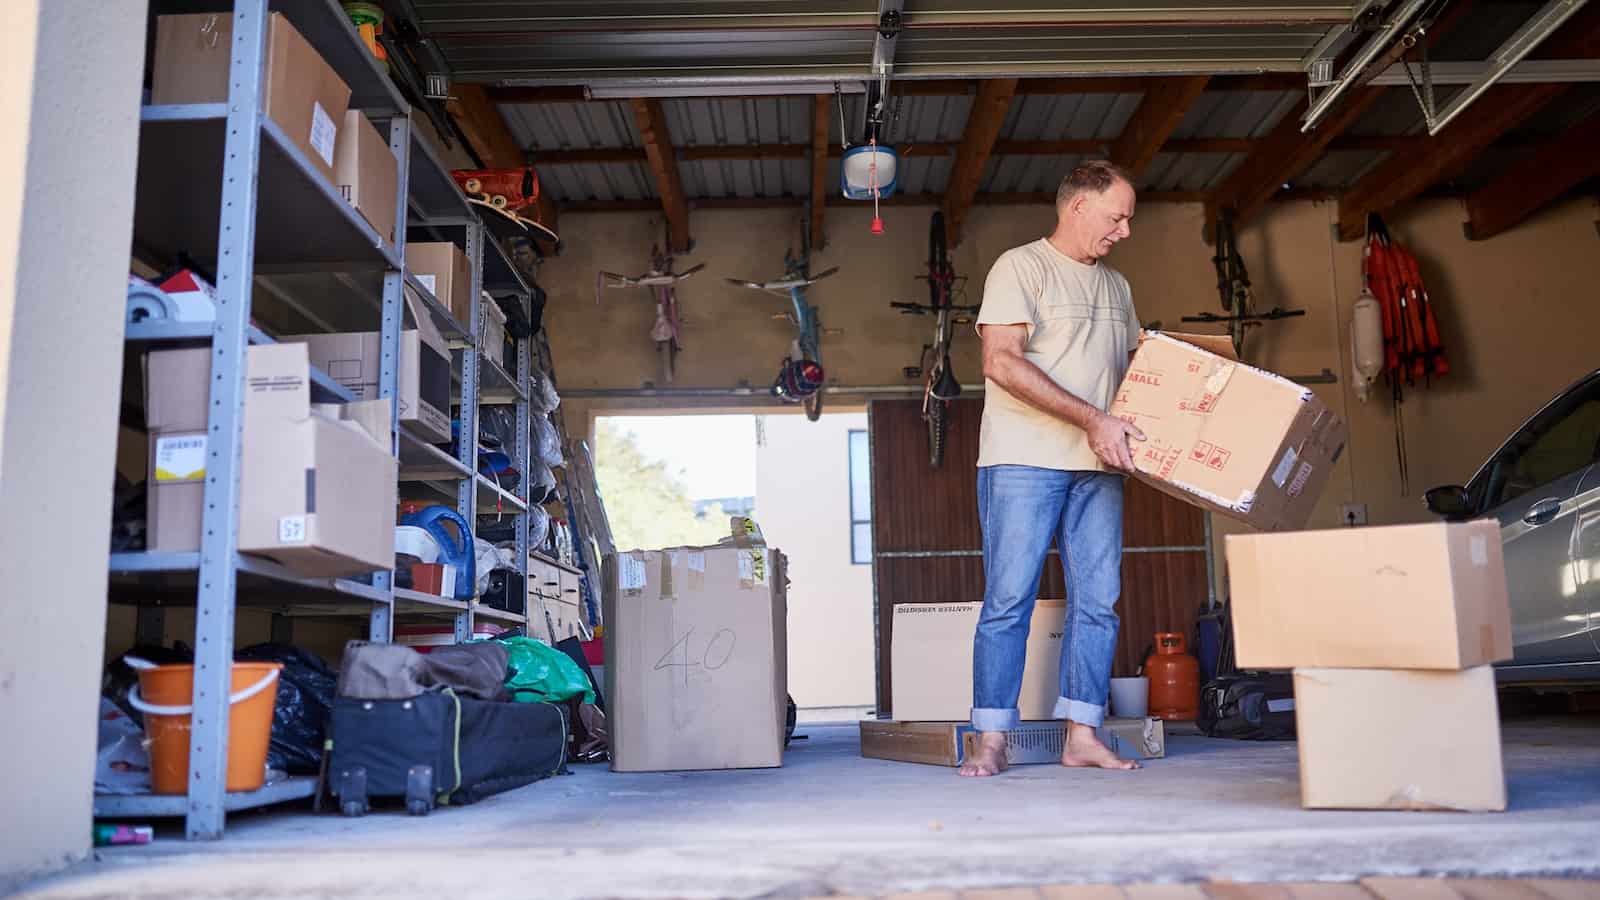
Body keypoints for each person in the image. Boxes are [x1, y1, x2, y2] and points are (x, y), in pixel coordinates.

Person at [959, 159, 1145, 778]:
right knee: (1009, 600)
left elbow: (1135, 371)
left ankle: (1082, 736)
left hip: (1099, 465)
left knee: (1099, 603)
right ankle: (989, 738)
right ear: (1079, 207)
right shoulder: (1021, 267)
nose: (1123, 231)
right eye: (1117, 217)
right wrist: (1092, 418)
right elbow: (1001, 362)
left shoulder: (1117, 287)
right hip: (1023, 460)